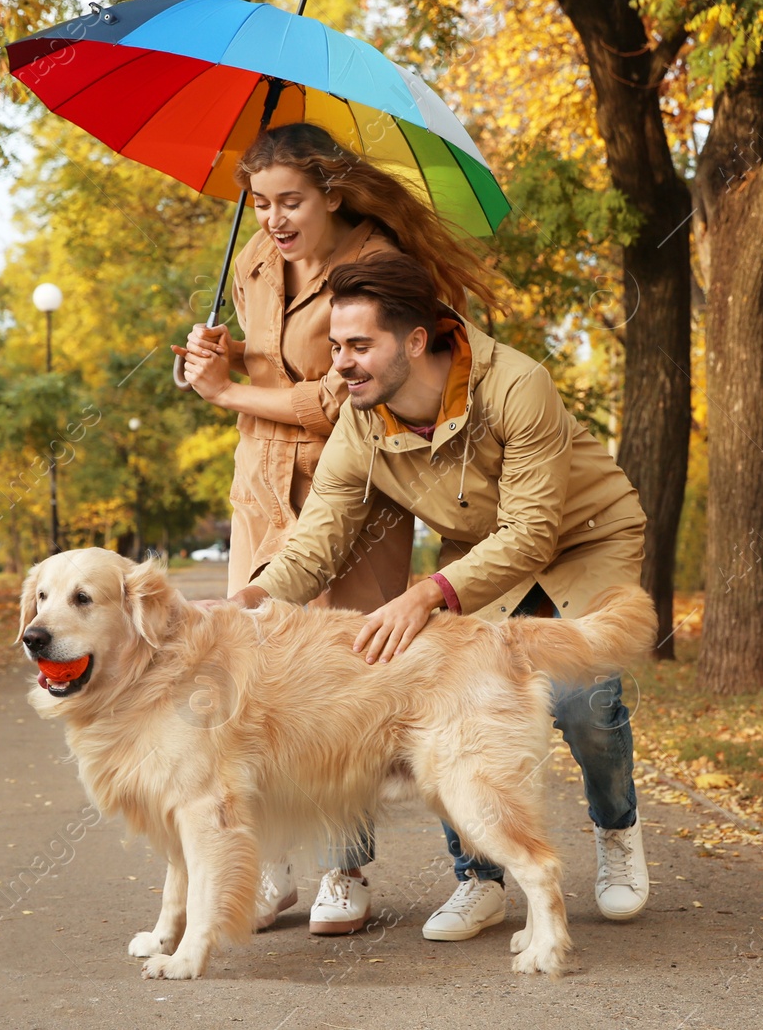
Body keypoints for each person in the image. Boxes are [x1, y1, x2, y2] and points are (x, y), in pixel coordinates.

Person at [225, 251, 652, 943]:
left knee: (582, 704)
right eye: (336, 346)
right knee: (446, 699)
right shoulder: (362, 422)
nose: (342, 363)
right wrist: (256, 599)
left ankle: (617, 826)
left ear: (415, 341)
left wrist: (425, 595)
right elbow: (320, 537)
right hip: (475, 557)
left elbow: (533, 531)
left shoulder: (517, 383)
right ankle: (479, 878)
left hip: (582, 538)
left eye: (359, 345)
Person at [176, 123, 501, 937]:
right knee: (252, 668)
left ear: (332, 193)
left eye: (291, 202)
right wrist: (220, 356)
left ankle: (345, 867)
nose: (274, 220)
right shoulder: (254, 263)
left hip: (352, 483)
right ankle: (268, 868)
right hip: (262, 485)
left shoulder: (375, 267)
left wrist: (224, 396)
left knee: (350, 676)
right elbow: (269, 365)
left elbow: (336, 398)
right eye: (259, 204)